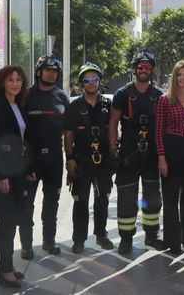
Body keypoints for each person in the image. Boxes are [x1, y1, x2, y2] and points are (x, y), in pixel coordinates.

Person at [108, 50, 165, 255]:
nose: (144, 70)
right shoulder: (122, 94)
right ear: (134, 69)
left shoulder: (159, 96)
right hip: (128, 155)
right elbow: (113, 122)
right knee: (126, 199)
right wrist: (113, 149)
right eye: (140, 67)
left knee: (153, 199)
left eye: (148, 67)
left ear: (152, 70)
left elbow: (162, 127)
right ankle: (126, 239)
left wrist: (162, 156)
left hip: (150, 156)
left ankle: (151, 236)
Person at [0, 65, 34, 288]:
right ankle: (4, 270)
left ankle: (7, 264)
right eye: (10, 79)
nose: (15, 83)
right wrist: (1, 175)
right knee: (5, 221)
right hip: (0, 174)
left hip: (17, 173)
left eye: (18, 80)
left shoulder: (19, 106)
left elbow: (22, 142)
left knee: (12, 220)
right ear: (2, 82)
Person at [19, 54, 70, 259]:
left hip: (55, 160)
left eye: (54, 71)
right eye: (47, 70)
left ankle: (49, 241)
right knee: (26, 204)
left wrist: (71, 158)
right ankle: (26, 245)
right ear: (39, 71)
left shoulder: (61, 96)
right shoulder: (26, 95)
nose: (51, 73)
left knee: (52, 203)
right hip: (30, 160)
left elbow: (69, 132)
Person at [64, 63, 114, 254]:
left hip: (103, 161)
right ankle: (79, 239)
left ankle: (101, 234)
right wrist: (69, 159)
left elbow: (113, 129)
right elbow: (68, 134)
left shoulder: (107, 105)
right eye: (87, 80)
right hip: (82, 160)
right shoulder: (74, 106)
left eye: (95, 79)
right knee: (80, 200)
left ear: (100, 82)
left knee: (103, 199)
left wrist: (113, 152)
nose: (91, 83)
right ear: (82, 83)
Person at [156, 60, 184, 255]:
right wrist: (161, 157)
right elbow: (158, 132)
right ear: (175, 78)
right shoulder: (164, 100)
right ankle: (172, 241)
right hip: (171, 151)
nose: (183, 78)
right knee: (170, 199)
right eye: (180, 74)